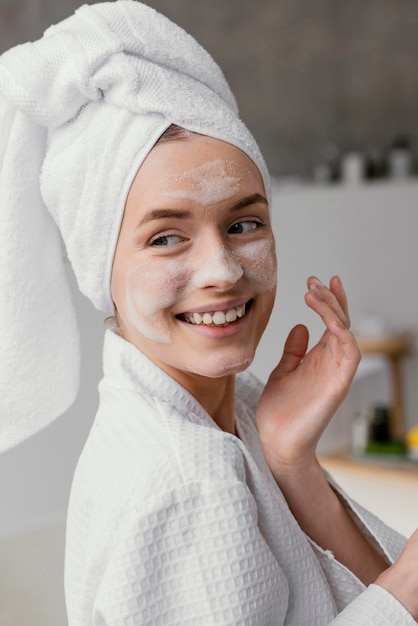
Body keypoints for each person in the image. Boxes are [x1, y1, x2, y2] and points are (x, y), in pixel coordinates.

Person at [0, 2, 417, 624]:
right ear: (98, 268)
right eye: (166, 237)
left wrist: (289, 460)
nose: (224, 270)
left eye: (244, 223)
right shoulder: (185, 482)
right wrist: (402, 598)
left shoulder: (231, 407)